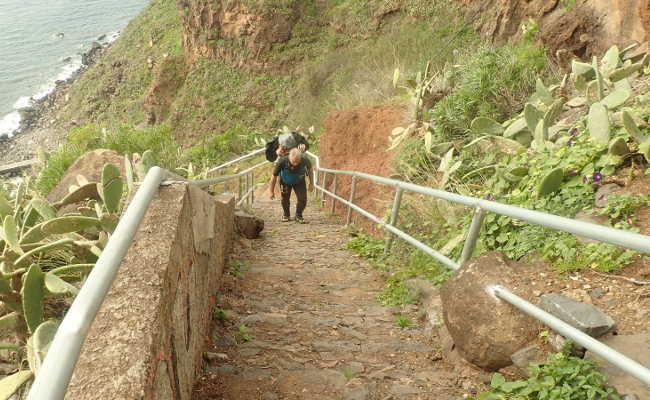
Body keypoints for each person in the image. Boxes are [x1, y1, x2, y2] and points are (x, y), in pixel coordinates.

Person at [270, 148, 314, 223]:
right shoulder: (282, 161)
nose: (295, 164)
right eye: (293, 162)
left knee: (303, 199)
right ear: (290, 157)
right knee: (285, 199)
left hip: (299, 181)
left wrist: (311, 183)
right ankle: (286, 215)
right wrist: (271, 191)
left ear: (300, 158)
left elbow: (310, 171)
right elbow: (274, 177)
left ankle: (298, 215)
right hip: (285, 181)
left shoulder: (305, 160)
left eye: (297, 162)